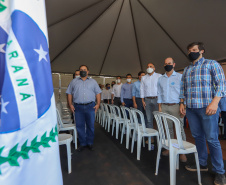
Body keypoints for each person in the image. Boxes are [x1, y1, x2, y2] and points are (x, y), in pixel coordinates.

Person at [179, 42, 226, 185]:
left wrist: (215, 102)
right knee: (198, 137)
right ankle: (202, 163)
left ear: (202, 51)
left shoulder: (212, 64)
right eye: (189, 51)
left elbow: (221, 84)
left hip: (208, 108)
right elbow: (183, 88)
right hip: (191, 109)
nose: (191, 52)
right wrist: (182, 103)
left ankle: (220, 172)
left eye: (194, 50)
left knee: (212, 139)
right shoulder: (187, 69)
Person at [157, 57, 187, 162]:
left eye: (169, 63)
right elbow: (159, 93)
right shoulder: (161, 78)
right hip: (164, 106)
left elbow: (184, 92)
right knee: (168, 128)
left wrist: (184, 106)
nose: (167, 65)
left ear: (174, 64)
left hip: (177, 106)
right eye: (165, 63)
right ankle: (170, 148)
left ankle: (182, 152)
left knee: (179, 129)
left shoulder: (180, 77)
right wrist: (160, 107)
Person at [66, 65, 101, 152]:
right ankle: (82, 143)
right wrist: (70, 104)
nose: (83, 71)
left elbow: (98, 93)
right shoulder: (73, 81)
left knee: (90, 125)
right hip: (78, 107)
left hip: (90, 106)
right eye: (81, 70)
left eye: (84, 70)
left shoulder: (93, 82)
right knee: (80, 126)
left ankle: (90, 143)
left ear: (88, 71)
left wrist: (98, 104)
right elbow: (69, 93)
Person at [140, 63, 162, 129]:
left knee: (158, 119)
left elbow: (161, 89)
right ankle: (151, 138)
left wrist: (160, 102)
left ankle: (159, 137)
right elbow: (142, 89)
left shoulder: (159, 76)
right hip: (147, 100)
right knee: (149, 119)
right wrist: (142, 101)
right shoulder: (143, 78)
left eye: (151, 66)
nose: (149, 68)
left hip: (157, 100)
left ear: (154, 68)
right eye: (148, 67)